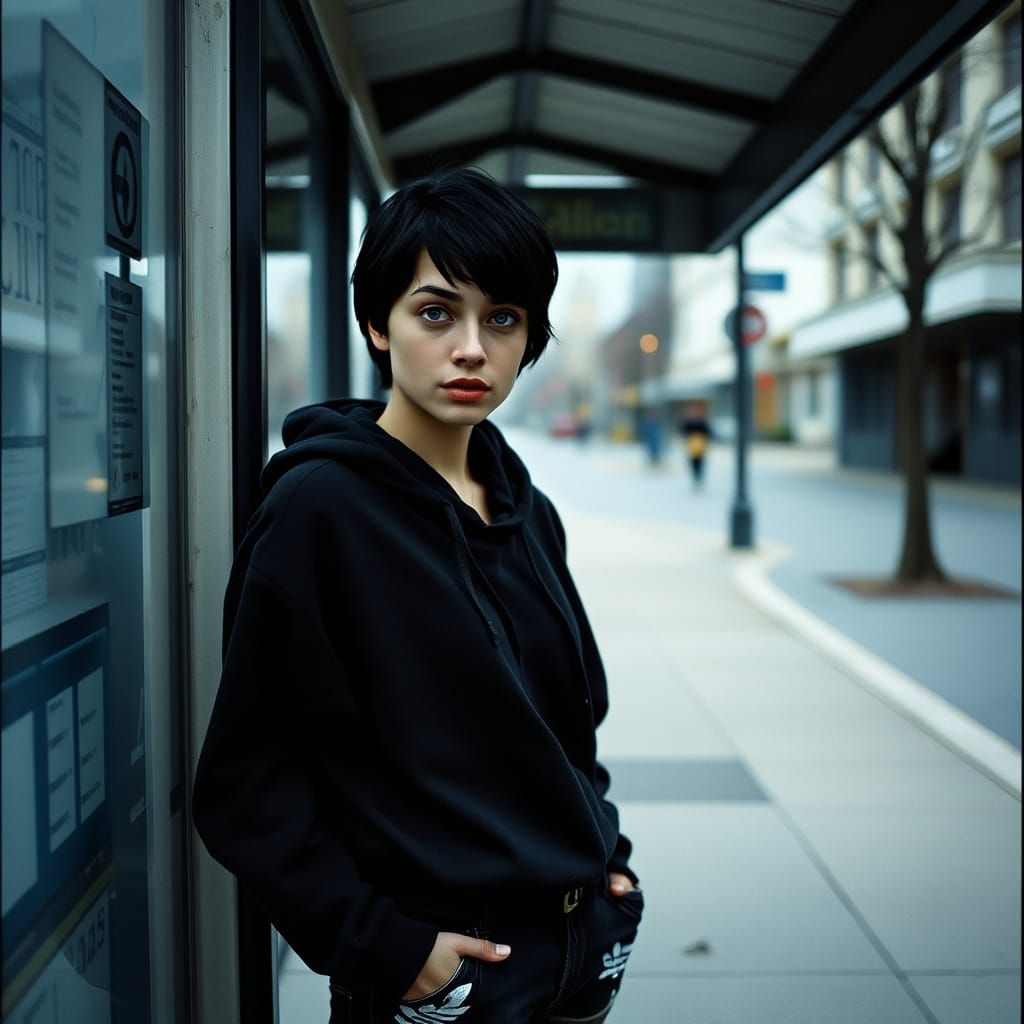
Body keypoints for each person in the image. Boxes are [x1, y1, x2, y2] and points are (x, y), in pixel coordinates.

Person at [192, 168, 643, 1024]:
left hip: (581, 949)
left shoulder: (524, 505)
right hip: (444, 972)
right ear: (378, 326)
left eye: (502, 318)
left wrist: (609, 863)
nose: (471, 346)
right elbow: (246, 782)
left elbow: (568, 723)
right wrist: (384, 944)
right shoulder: (318, 510)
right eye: (437, 312)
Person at [679, 403, 712, 489]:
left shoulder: (702, 422)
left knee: (700, 462)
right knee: (692, 462)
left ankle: (699, 477)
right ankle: (696, 477)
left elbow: (708, 432)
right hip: (691, 445)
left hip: (700, 444)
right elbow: (683, 432)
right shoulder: (688, 422)